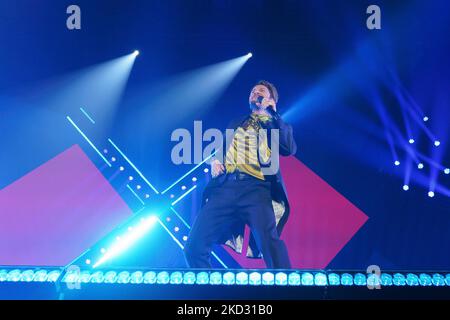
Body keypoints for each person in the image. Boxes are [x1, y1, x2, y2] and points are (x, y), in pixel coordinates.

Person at [184, 80, 297, 269]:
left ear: (271, 100)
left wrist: (273, 115)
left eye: (260, 91)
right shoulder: (236, 122)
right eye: (252, 91)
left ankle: (288, 292)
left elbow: (288, 148)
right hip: (225, 188)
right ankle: (206, 290)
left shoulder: (275, 124)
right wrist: (215, 161)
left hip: (256, 190)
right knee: (194, 247)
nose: (255, 93)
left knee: (271, 246)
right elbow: (220, 151)